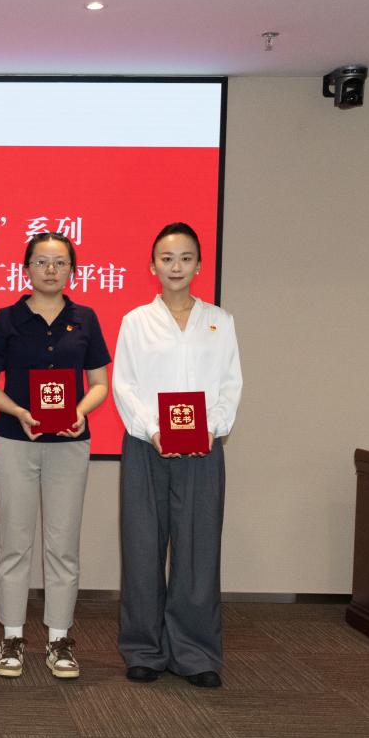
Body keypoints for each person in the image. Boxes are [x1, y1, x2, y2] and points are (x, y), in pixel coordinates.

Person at [0, 232, 111, 680]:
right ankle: (12, 637)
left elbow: (99, 384)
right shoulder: (7, 318)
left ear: (72, 270)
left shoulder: (85, 319)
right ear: (26, 268)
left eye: (60, 263)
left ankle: (59, 639)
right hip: (15, 442)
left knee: (63, 546)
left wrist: (80, 411)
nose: (51, 270)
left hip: (69, 445)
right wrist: (17, 411)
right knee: (14, 544)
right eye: (41, 262)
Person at [112, 222, 242, 688]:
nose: (176, 267)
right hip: (146, 447)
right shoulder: (135, 321)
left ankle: (196, 653)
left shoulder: (219, 322)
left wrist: (212, 427)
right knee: (143, 548)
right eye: (167, 259)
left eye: (186, 258)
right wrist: (153, 429)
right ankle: (144, 649)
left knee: (198, 551)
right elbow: (124, 384)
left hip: (203, 450)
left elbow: (230, 384)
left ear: (199, 265)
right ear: (152, 266)